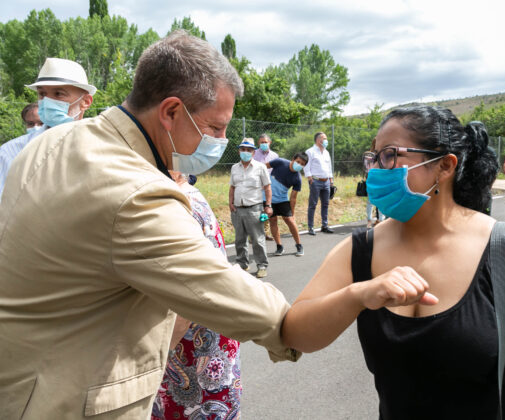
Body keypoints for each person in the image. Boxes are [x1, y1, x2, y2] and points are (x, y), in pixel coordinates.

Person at [0, 31, 298, 419]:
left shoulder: (50, 144)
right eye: (215, 128)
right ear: (171, 112)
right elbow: (232, 300)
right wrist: (340, 299)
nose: (223, 141)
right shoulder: (136, 191)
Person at [282, 106, 505, 419]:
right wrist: (358, 294)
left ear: (444, 166)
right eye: (373, 157)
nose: (374, 170)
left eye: (389, 155)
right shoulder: (358, 250)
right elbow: (295, 334)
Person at [152, 171, 241, 420]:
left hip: (190, 353)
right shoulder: (185, 197)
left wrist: (156, 359)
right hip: (204, 348)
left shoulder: (175, 208)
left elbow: (188, 296)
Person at [0, 57, 95, 198]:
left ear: (85, 102)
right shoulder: (12, 152)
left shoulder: (99, 148)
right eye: (42, 94)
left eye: (58, 94)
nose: (47, 101)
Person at [229, 138, 273, 278]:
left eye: (249, 150)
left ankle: (262, 266)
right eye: (243, 149)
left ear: (253, 153)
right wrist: (230, 203)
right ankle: (242, 264)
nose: (245, 152)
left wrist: (268, 205)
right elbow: (232, 187)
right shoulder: (234, 168)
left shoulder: (260, 167)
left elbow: (267, 187)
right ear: (239, 151)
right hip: (237, 209)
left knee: (257, 240)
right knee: (239, 239)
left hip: (254, 208)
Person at [266, 152, 309, 257]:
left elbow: (293, 197)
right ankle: (279, 246)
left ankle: (299, 245)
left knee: (289, 220)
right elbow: (263, 167)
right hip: (268, 198)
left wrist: (292, 214)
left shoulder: (297, 178)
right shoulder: (280, 162)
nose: (299, 165)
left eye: (302, 164)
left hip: (282, 199)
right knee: (273, 220)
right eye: (298, 162)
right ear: (293, 159)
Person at [304, 131, 334, 235]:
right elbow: (306, 166)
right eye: (324, 138)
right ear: (318, 140)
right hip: (315, 181)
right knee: (313, 204)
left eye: (326, 138)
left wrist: (331, 179)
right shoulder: (310, 151)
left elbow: (329, 167)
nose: (326, 140)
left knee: (325, 204)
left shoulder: (326, 152)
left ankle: (324, 225)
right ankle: (310, 227)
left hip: (326, 181)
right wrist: (309, 178)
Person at [253, 133, 278, 240]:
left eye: (265, 142)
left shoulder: (274, 156)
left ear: (270, 142)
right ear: (258, 143)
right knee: (255, 211)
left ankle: (265, 232)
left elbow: (276, 171)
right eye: (262, 142)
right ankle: (254, 234)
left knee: (266, 210)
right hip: (256, 186)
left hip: (268, 188)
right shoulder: (254, 154)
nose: (264, 144)